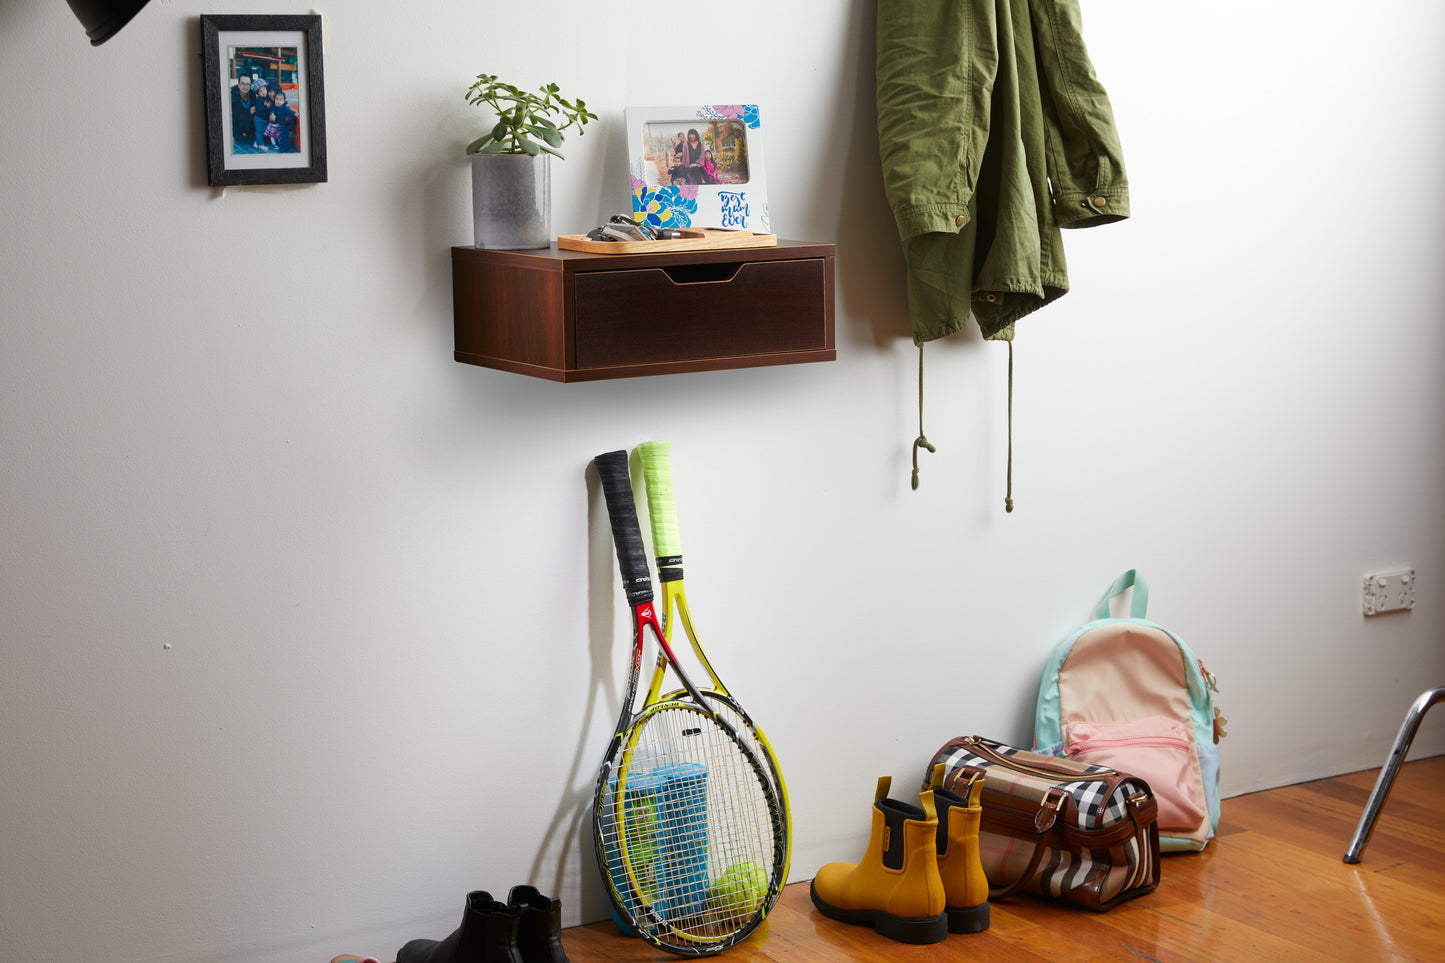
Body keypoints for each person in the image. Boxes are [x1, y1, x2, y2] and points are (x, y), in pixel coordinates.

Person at [229, 74, 263, 151]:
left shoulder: (252, 94)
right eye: (242, 83)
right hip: (237, 123)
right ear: (238, 85)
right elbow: (237, 116)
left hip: (248, 119)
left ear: (250, 85)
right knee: (241, 139)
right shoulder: (232, 95)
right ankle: (238, 136)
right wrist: (250, 112)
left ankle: (252, 134)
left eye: (247, 84)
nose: (245, 86)